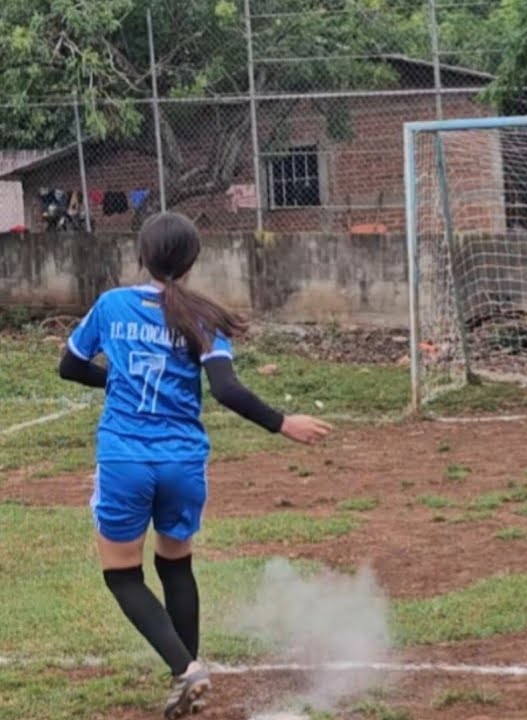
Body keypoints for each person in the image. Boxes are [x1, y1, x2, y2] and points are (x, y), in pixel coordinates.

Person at [57, 212, 332, 719]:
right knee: (175, 563)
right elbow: (225, 390)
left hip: (125, 459)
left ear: (141, 255)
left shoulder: (111, 304)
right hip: (182, 461)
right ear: (192, 261)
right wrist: (282, 422)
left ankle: (186, 670)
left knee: (122, 577)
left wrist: (120, 385)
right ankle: (185, 679)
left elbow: (69, 366)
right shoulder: (203, 315)